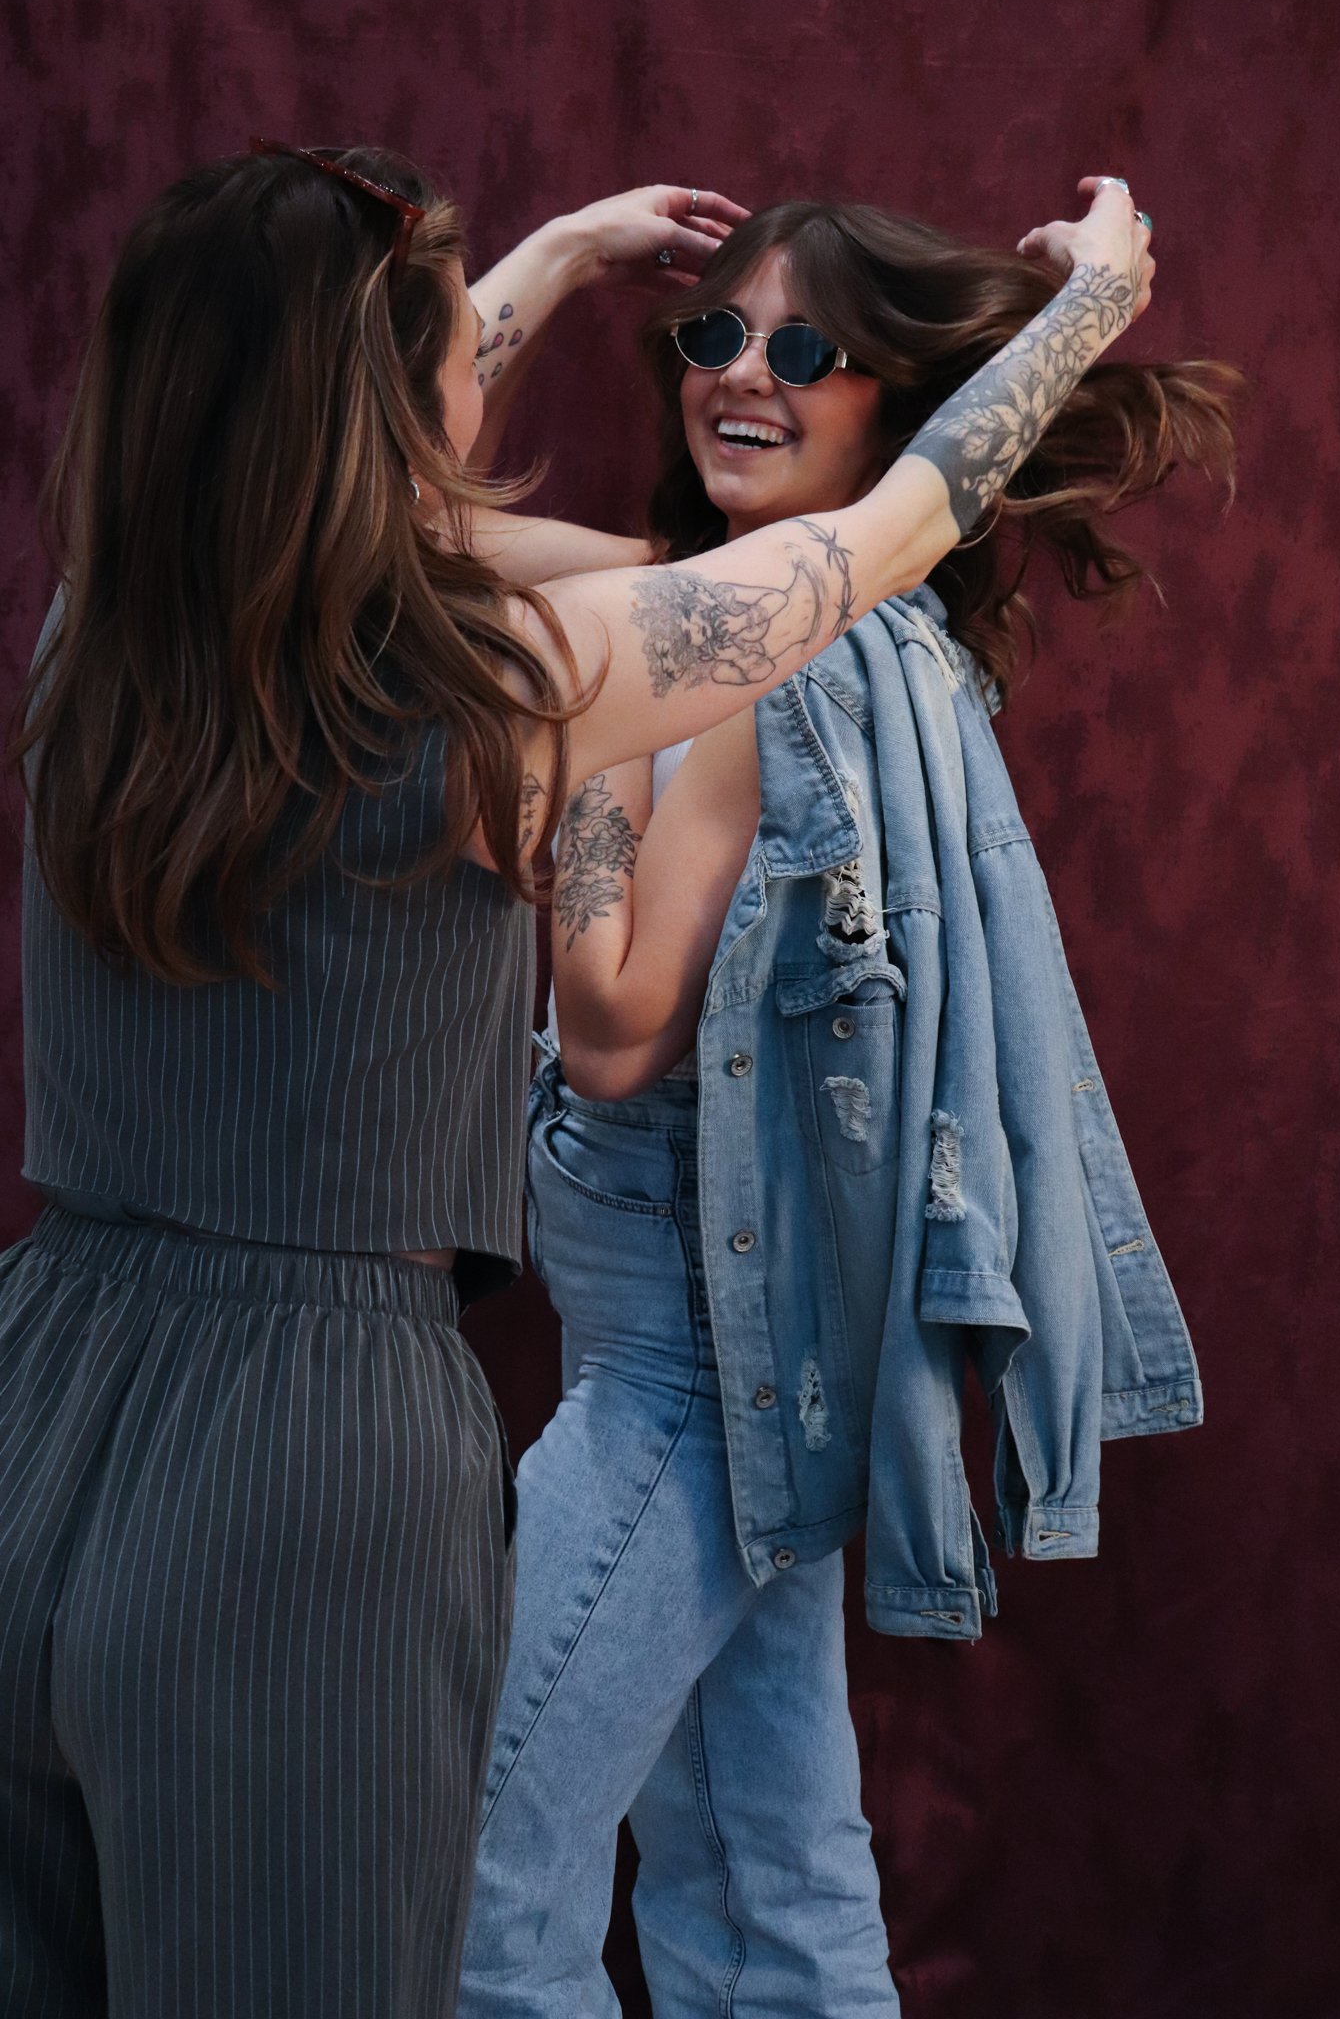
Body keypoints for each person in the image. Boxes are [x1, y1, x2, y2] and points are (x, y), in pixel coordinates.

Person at [0, 139, 1150, 2019]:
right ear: (385, 403)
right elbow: (887, 535)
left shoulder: (105, 618)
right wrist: (1094, 304)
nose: (486, 356)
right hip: (302, 1457)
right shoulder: (505, 671)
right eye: (450, 340)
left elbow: (339, 452)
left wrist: (544, 257)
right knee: (459, 1935)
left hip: (41, 1389)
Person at [460, 194, 1236, 2013]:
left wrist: (554, 775)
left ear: (888, 403)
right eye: (710, 339)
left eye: (802, 353)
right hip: (742, 1367)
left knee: (489, 1884)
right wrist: (568, 252)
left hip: (675, 1383)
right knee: (768, 1891)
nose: (739, 375)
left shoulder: (764, 663)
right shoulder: (746, 618)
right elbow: (401, 519)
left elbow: (613, 1032)